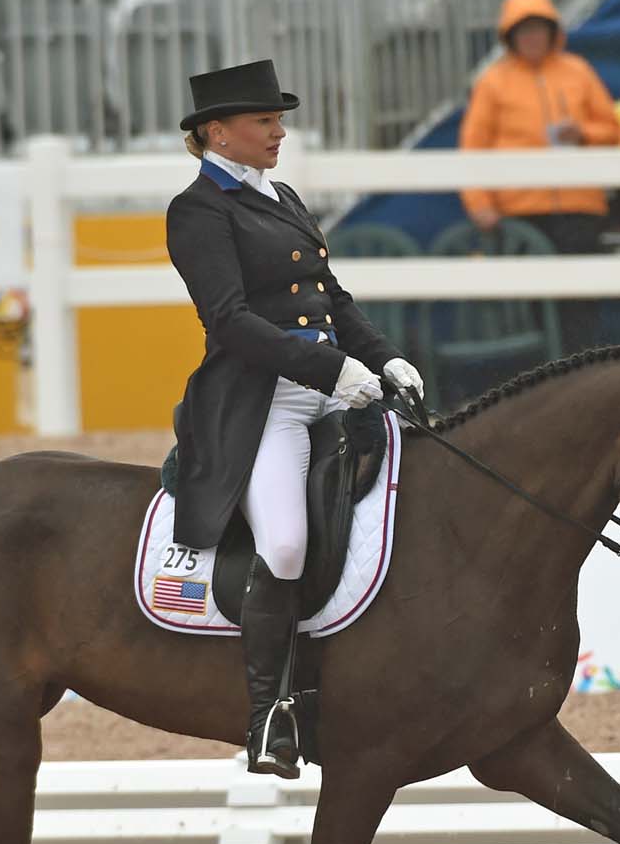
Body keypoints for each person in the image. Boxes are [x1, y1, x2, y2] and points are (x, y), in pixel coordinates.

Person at [165, 60, 425, 778]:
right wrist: (333, 371)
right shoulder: (198, 211)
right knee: (284, 545)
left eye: (279, 120)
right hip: (263, 401)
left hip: (335, 384)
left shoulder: (279, 193)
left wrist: (386, 357)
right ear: (218, 132)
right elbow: (231, 321)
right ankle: (268, 717)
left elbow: (331, 298)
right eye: (265, 122)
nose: (280, 132)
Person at [459, 0, 620, 353]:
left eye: (539, 28)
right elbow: (472, 149)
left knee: (582, 301)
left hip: (580, 209)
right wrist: (480, 203)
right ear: (510, 36)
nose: (532, 36)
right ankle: (543, 390)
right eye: (524, 29)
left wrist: (584, 133)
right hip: (521, 213)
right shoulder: (492, 81)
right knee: (534, 309)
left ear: (552, 32)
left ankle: (584, 381)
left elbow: (612, 130)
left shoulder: (578, 71)